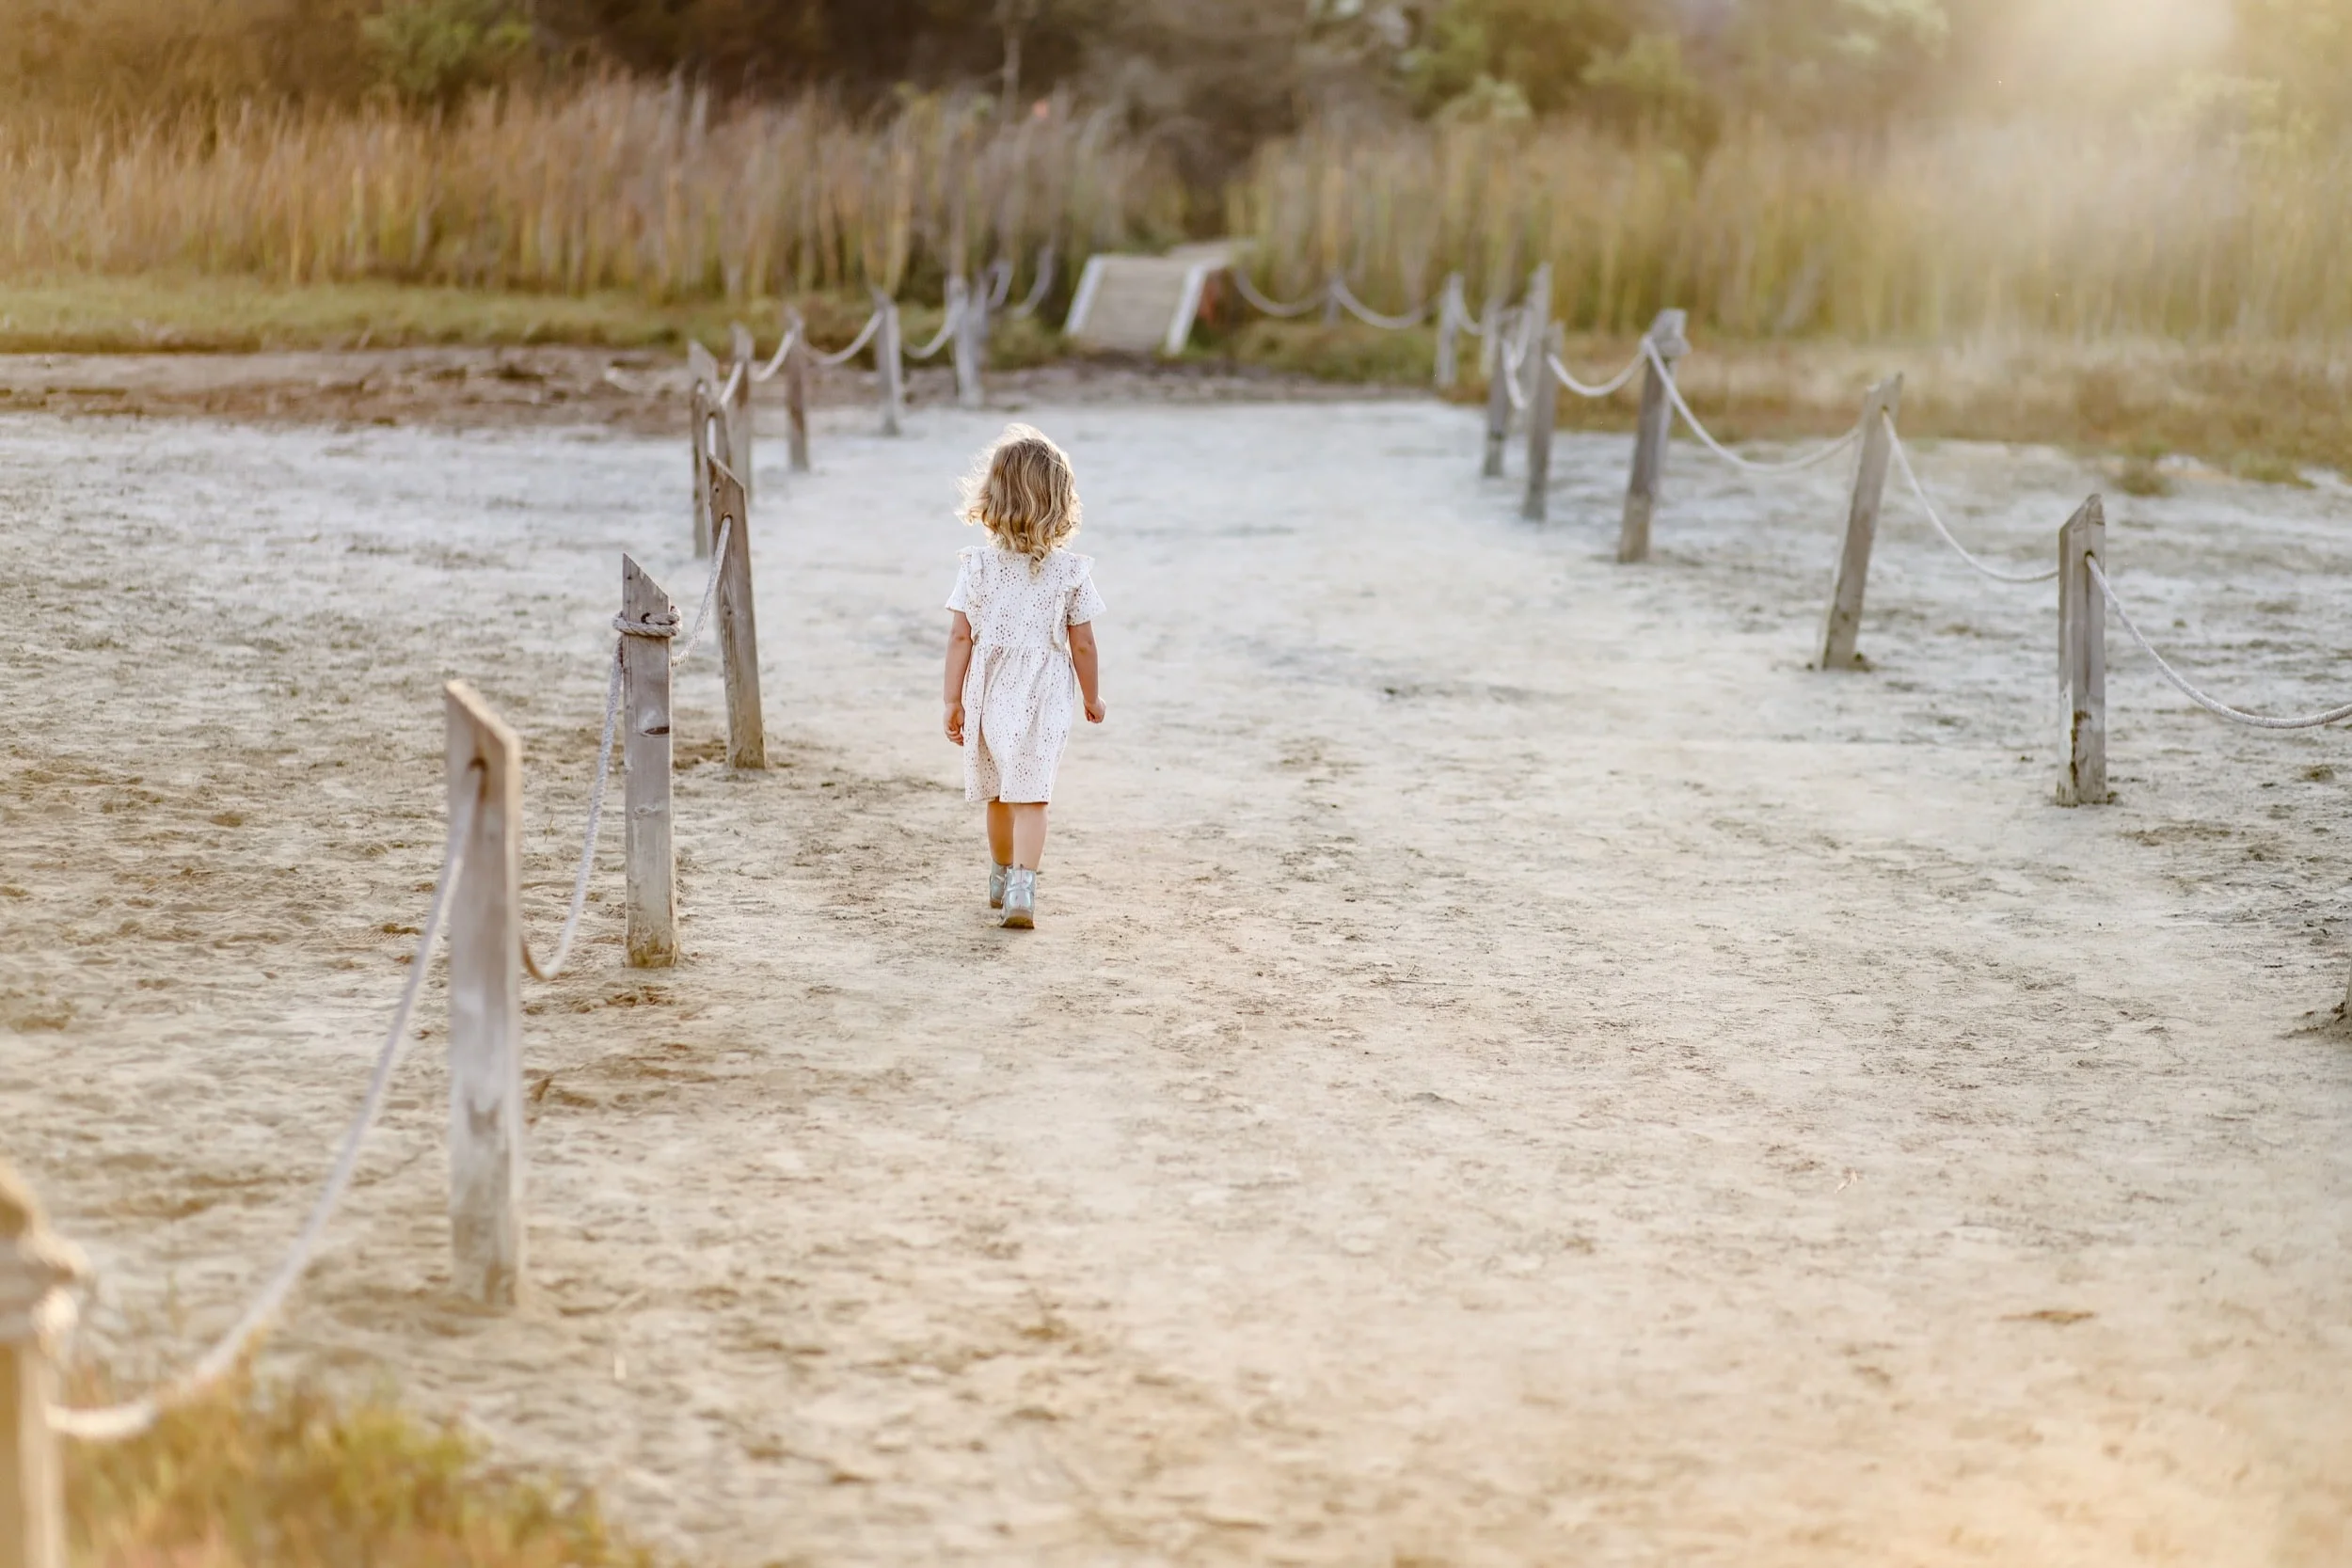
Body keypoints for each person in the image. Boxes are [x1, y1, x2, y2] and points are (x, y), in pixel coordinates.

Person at [941, 424, 1106, 928]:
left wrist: (952, 701)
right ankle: (1022, 889)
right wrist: (1093, 697)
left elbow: (960, 638)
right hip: (1046, 693)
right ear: (1060, 501)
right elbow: (1082, 642)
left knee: (997, 793)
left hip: (990, 691)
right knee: (1032, 793)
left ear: (992, 497)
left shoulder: (977, 568)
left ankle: (998, 875)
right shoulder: (1070, 571)